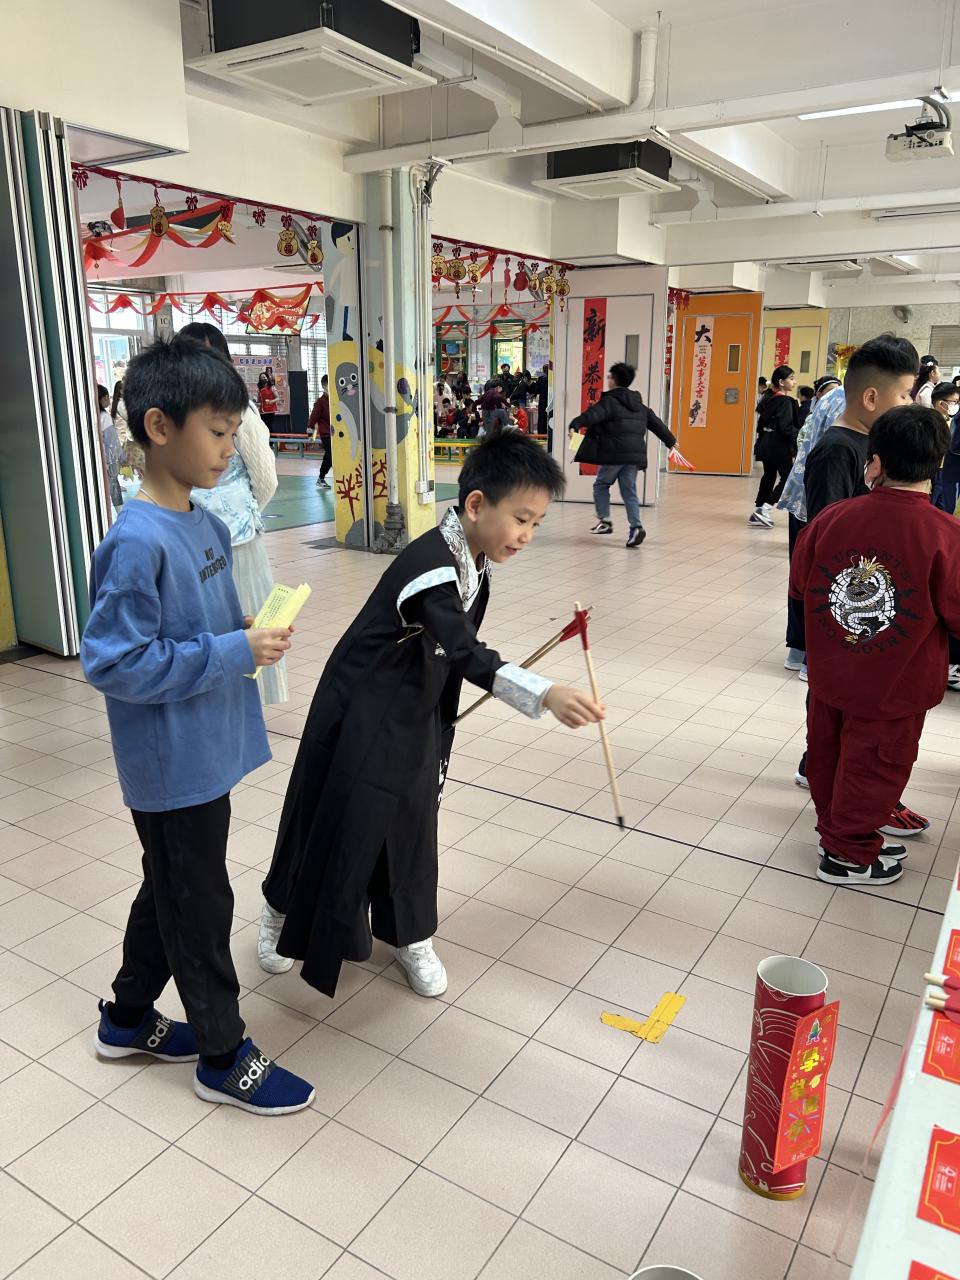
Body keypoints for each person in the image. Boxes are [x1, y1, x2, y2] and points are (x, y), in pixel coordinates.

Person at [255, 433, 605, 993]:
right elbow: (463, 648)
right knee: (325, 811)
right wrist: (542, 694)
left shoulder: (474, 559)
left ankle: (410, 935)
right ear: (476, 505)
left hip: (415, 708)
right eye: (521, 519)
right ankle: (278, 910)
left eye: (536, 523)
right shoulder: (431, 565)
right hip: (360, 709)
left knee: (412, 823)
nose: (527, 535)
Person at [80, 338, 314, 1115]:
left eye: (233, 431)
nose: (228, 448)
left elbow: (198, 629)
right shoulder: (136, 541)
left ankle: (125, 1019)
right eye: (217, 431)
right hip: (170, 764)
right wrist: (230, 650)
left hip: (205, 748)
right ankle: (222, 1054)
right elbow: (115, 662)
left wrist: (242, 631)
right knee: (200, 903)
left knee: (172, 889)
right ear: (158, 426)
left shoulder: (206, 525)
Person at [790, 405, 960, 887]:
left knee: (827, 755)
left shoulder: (832, 518)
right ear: (938, 464)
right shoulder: (946, 536)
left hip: (830, 675)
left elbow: (801, 585)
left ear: (876, 461)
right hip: (896, 686)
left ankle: (836, 832)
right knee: (877, 767)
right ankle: (846, 855)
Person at [794, 336, 931, 841]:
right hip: (847, 613)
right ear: (871, 397)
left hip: (875, 614)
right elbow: (827, 539)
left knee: (860, 721)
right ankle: (847, 802)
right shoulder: (838, 449)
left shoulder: (872, 447)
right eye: (905, 395)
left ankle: (862, 796)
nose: (910, 404)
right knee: (845, 715)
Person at [181, 323, 287, 707]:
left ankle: (246, 702)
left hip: (237, 541)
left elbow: (266, 477)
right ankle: (210, 696)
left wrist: (238, 512)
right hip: (187, 538)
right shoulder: (177, 412)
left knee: (245, 619)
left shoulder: (241, 408)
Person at [568, 361, 677, 550]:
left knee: (601, 485)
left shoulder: (609, 401)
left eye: (609, 376)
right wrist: (670, 441)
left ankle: (605, 521)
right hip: (633, 458)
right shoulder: (638, 404)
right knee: (629, 491)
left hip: (613, 454)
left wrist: (575, 424)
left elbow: (592, 415)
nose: (607, 379)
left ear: (614, 380)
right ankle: (636, 527)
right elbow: (655, 422)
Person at [780, 375, 843, 671]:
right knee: (823, 574)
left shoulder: (824, 403)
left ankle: (798, 649)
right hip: (822, 499)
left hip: (800, 495)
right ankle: (810, 657)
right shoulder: (847, 406)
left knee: (801, 573)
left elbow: (802, 440)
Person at [748, 365, 800, 528]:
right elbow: (786, 428)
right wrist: (801, 435)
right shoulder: (785, 401)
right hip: (779, 445)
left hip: (766, 443)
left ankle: (758, 510)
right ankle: (765, 509)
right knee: (789, 478)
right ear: (781, 382)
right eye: (791, 378)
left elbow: (760, 426)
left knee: (769, 475)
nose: (794, 382)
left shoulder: (768, 399)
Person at [930, 381, 960, 510]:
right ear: (941, 403)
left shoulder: (949, 420)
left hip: (945, 470)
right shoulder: (931, 423)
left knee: (943, 506)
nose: (957, 405)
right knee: (932, 504)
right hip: (934, 471)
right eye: (954, 402)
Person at [98, 383, 124, 512]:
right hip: (108, 458)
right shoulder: (105, 416)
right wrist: (121, 457)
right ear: (102, 398)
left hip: (98, 457)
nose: (108, 399)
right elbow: (112, 440)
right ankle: (120, 512)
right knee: (113, 484)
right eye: (107, 397)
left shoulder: (94, 416)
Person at [308, 373, 332, 488]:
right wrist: (311, 434)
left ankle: (321, 478)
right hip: (326, 434)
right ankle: (321, 478)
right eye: (328, 384)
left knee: (329, 456)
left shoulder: (335, 400)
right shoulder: (321, 402)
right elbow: (312, 419)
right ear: (323, 386)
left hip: (336, 434)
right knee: (330, 455)